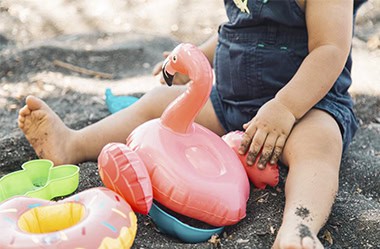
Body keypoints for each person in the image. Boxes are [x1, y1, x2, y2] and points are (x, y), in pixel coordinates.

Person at [18, 0, 366, 248]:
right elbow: (237, 30)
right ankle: (72, 144)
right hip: (229, 104)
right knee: (156, 105)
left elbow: (329, 49)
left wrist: (286, 108)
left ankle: (298, 228)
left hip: (303, 109)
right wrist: (196, 59)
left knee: (318, 147)